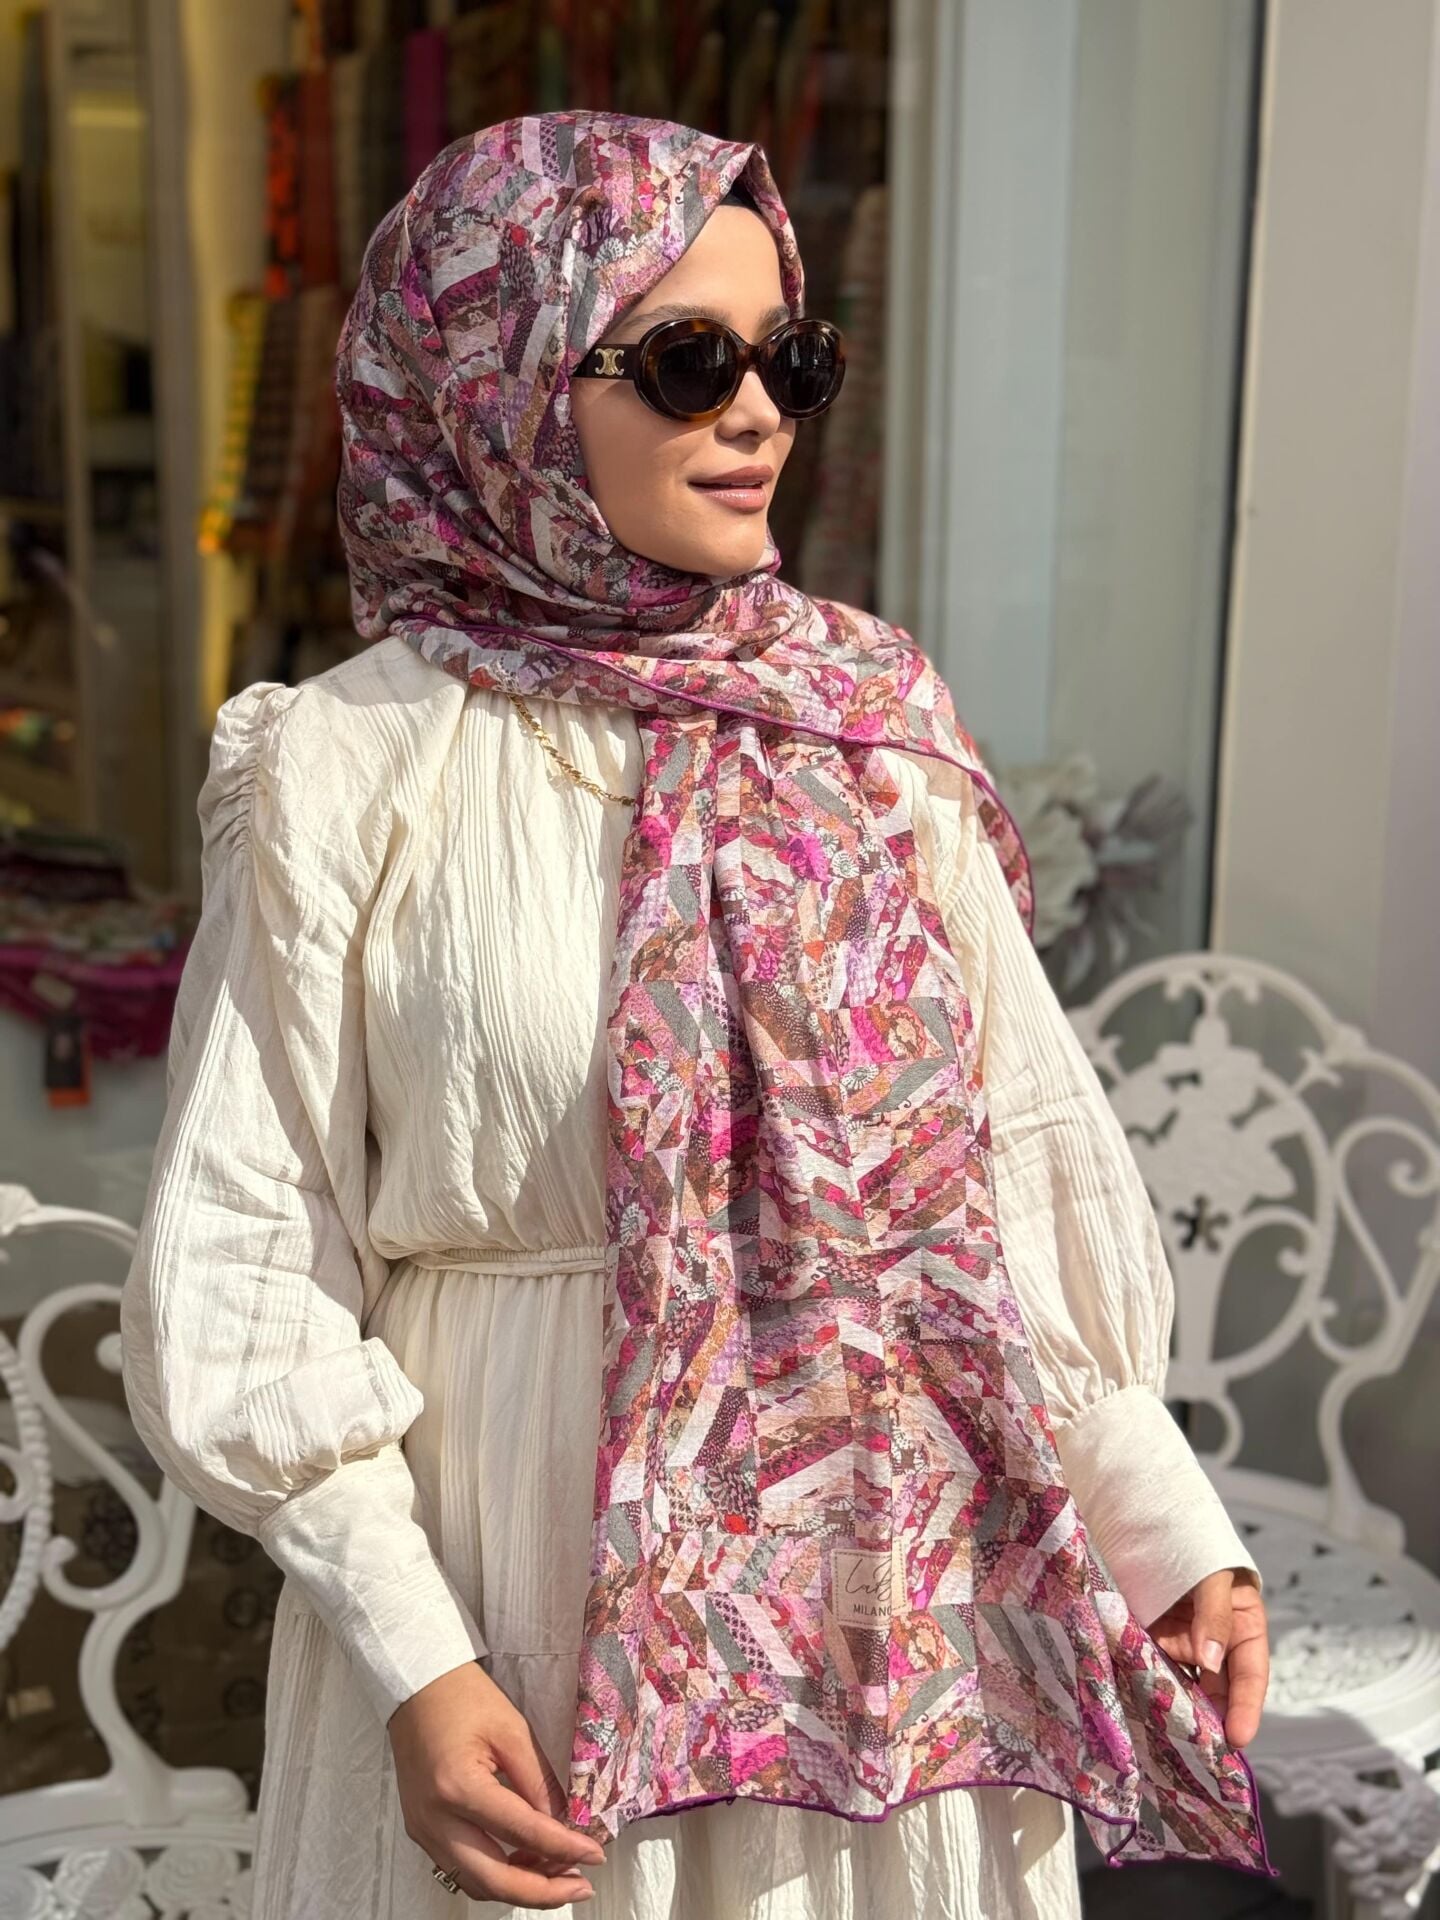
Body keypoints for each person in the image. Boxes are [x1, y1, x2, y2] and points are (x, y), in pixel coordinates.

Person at [119, 111, 1271, 1920]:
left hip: (884, 1603)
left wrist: (1159, 1520)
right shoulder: (344, 765)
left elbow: (1006, 1171)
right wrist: (414, 1654)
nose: (758, 416)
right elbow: (249, 1259)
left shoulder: (868, 725)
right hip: (502, 1605)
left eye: (788, 360)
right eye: (685, 361)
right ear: (499, 384)